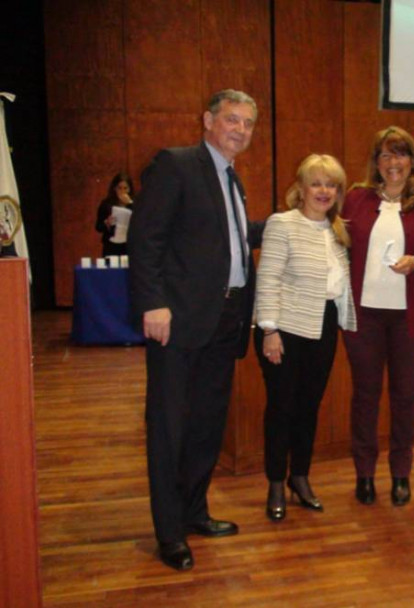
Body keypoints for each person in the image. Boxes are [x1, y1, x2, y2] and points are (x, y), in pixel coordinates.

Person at [129, 89, 265, 571]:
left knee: (207, 423)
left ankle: (194, 512)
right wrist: (153, 303)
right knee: (169, 427)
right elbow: (145, 239)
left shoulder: (232, 179)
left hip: (225, 319)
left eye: (248, 123)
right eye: (232, 119)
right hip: (179, 319)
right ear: (207, 119)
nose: (241, 130)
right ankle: (169, 533)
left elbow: (225, 239)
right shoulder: (177, 163)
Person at [342, 126, 414, 507]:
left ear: (413, 160)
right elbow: (336, 247)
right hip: (364, 316)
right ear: (376, 162)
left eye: (400, 154)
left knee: (405, 396)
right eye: (386, 155)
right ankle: (365, 474)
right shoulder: (355, 199)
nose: (394, 163)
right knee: (365, 396)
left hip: (410, 317)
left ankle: (401, 473)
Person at [254, 154, 356, 522]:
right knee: (281, 408)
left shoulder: (338, 229)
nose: (324, 191)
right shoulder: (282, 224)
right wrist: (269, 330)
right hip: (284, 329)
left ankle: (300, 477)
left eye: (331, 184)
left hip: (323, 326)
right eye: (317, 183)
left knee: (308, 408)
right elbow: (268, 278)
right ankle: (276, 483)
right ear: (300, 188)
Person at [95, 172, 134, 256]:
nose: (122, 191)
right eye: (119, 188)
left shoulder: (135, 204)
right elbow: (98, 227)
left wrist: (130, 204)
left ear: (129, 189)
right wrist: (106, 223)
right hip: (111, 246)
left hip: (128, 245)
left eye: (125, 188)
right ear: (114, 188)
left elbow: (141, 221)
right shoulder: (106, 204)